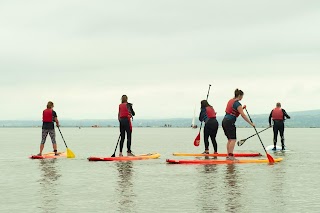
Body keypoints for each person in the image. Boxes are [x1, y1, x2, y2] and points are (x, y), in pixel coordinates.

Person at [222, 89, 255, 160]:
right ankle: (230, 156)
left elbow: (235, 111)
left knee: (230, 139)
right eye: (242, 96)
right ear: (239, 95)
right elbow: (243, 115)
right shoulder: (237, 104)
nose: (242, 98)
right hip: (230, 122)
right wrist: (251, 123)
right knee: (233, 139)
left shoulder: (230, 101)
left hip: (224, 121)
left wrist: (242, 108)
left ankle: (228, 155)